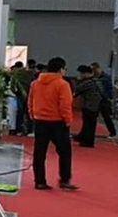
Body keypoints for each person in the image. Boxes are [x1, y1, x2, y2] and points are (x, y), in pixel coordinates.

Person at [28, 57, 78, 191]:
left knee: (39, 152)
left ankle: (39, 181)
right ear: (60, 69)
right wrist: (68, 120)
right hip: (57, 123)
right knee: (65, 152)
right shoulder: (62, 84)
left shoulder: (35, 83)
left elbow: (30, 101)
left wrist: (33, 115)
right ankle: (65, 180)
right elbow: (65, 105)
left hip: (40, 121)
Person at [72, 65, 103, 148]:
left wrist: (78, 81)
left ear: (86, 73)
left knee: (89, 124)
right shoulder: (97, 81)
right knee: (88, 123)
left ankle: (88, 141)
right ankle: (82, 137)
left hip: (90, 105)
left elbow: (77, 89)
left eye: (81, 74)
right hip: (95, 105)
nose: (80, 75)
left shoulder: (88, 82)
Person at [90, 62, 117, 140]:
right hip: (96, 99)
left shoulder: (106, 77)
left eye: (95, 70)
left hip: (104, 99)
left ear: (98, 68)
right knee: (93, 117)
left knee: (107, 117)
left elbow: (109, 88)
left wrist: (110, 97)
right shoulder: (93, 77)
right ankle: (91, 133)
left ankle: (113, 132)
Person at [12, 61, 35, 135]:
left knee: (20, 113)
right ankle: (30, 130)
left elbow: (13, 86)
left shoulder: (16, 74)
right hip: (30, 94)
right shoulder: (31, 73)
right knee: (29, 113)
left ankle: (19, 130)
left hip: (20, 95)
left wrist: (16, 93)